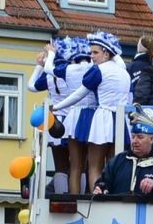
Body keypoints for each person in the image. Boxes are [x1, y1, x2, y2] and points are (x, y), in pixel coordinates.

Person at [52, 31, 131, 195]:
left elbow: (79, 94)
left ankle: (95, 204)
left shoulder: (98, 70)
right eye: (91, 53)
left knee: (94, 166)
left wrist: (58, 107)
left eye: (95, 52)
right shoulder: (123, 71)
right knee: (114, 166)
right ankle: (113, 200)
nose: (92, 57)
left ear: (106, 53)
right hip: (120, 120)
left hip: (103, 119)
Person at [92, 105, 153, 196]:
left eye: (140, 137)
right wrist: (99, 188)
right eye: (133, 136)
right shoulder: (117, 160)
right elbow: (102, 182)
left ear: (152, 139)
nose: (134, 141)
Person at [30, 38, 74, 194]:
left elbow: (31, 86)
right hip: (74, 121)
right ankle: (76, 194)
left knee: (60, 165)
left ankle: (61, 196)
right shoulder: (74, 72)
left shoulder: (49, 75)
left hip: (55, 122)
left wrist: (39, 66)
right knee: (79, 164)